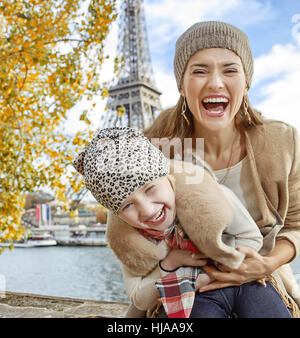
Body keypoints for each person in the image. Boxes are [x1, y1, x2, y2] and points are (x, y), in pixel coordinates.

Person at [107, 21, 300, 318]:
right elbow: (128, 241)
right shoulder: (150, 149)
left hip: (259, 279)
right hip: (181, 287)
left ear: (246, 81)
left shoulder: (283, 142)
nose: (216, 83)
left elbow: (297, 224)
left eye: (230, 70)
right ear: (181, 85)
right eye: (199, 70)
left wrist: (268, 263)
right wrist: (168, 263)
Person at [73, 127, 291, 318]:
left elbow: (251, 237)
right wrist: (170, 264)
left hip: (242, 280)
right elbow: (139, 298)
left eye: (150, 189)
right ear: (117, 215)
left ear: (169, 178)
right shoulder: (128, 241)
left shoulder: (213, 197)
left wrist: (226, 265)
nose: (148, 210)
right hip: (190, 294)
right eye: (127, 206)